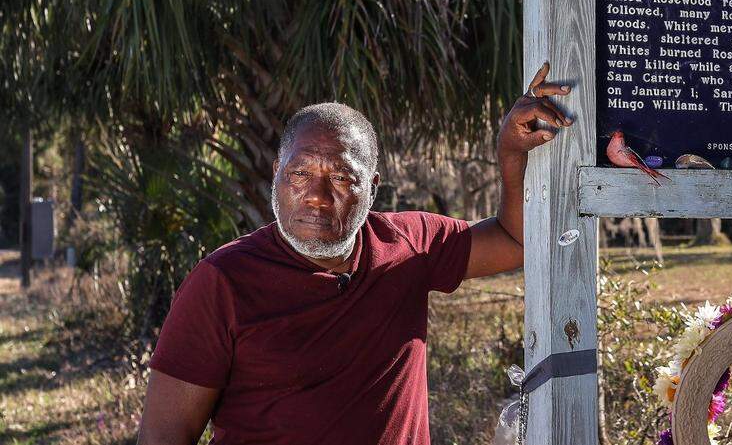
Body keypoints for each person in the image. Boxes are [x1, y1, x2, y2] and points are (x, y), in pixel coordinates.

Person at [136, 63, 573, 445]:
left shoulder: (409, 245)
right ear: (277, 174)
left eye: (343, 178)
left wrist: (510, 153)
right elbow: (163, 435)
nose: (318, 196)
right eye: (301, 173)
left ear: (373, 188)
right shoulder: (223, 282)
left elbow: (514, 242)